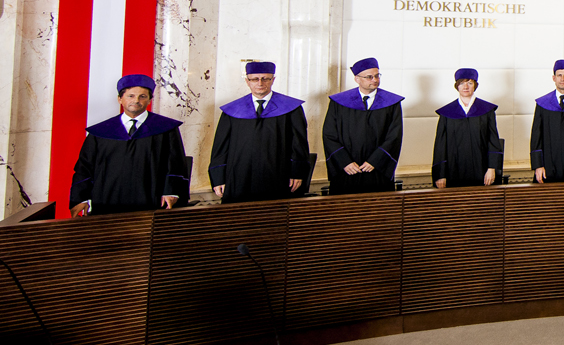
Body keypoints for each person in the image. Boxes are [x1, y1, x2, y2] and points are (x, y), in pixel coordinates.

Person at [70, 74, 189, 215]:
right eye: (130, 96)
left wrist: (171, 192)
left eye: (142, 96)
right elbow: (84, 166)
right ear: (120, 99)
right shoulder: (100, 132)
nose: (136, 101)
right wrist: (81, 198)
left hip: (151, 199)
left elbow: (176, 163)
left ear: (150, 99)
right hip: (106, 201)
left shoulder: (166, 129)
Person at [209, 61, 308, 203]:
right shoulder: (232, 110)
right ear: (247, 81)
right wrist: (218, 177)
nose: (260, 83)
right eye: (255, 79)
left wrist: (297, 172)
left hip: (279, 174)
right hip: (239, 175)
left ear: (273, 80)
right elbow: (221, 147)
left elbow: (299, 143)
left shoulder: (291, 108)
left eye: (265, 78)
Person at [323, 57, 404, 195]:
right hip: (347, 170)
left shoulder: (391, 103)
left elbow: (394, 136)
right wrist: (345, 162)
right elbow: (329, 134)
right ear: (357, 79)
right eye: (369, 77)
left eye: (377, 75)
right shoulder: (339, 102)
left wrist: (376, 161)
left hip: (377, 170)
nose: (375, 80)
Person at [432, 67, 502, 188]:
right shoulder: (447, 113)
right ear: (457, 86)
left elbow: (493, 140)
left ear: (475, 85)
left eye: (470, 83)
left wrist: (491, 168)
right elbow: (440, 145)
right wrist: (440, 174)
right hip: (453, 172)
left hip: (481, 170)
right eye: (462, 83)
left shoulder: (486, 111)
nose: (465, 87)